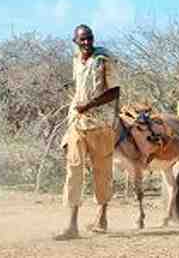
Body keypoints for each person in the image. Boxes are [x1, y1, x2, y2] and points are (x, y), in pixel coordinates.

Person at [54, 24, 119, 240]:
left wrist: (90, 105)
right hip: (78, 123)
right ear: (75, 41)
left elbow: (115, 91)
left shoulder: (103, 59)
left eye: (89, 38)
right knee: (73, 170)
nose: (86, 42)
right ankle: (71, 225)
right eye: (82, 39)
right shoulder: (76, 60)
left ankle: (102, 217)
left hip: (100, 125)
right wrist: (75, 110)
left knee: (102, 172)